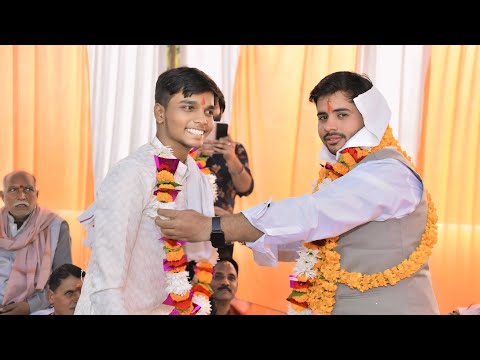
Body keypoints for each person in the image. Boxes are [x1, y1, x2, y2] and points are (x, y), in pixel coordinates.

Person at [156, 71, 440, 315]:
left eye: (342, 114)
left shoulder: (388, 172)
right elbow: (311, 243)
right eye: (322, 116)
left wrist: (214, 227)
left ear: (369, 117)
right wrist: (235, 230)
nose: (329, 126)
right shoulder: (346, 174)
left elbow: (312, 215)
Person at [75, 67, 223, 315]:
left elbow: (194, 262)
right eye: (189, 107)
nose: (203, 120)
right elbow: (106, 284)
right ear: (160, 112)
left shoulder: (196, 178)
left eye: (208, 111)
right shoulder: (132, 173)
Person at [0, 170, 72, 315]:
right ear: (2, 196)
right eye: (13, 190)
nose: (21, 196)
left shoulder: (56, 226)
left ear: (37, 195)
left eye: (28, 189)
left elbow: (64, 282)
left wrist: (29, 306)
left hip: (38, 308)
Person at [196, 91, 254, 259]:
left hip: (223, 224)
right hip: (191, 223)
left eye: (212, 109)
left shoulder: (235, 149)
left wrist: (231, 157)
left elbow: (246, 188)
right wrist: (194, 154)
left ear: (220, 112)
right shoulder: (185, 146)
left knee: (221, 275)